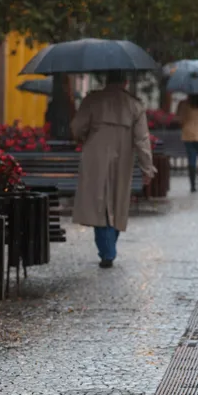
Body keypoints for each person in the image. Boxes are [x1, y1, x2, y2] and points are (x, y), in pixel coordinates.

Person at [71, 71, 156, 269]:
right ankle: (109, 249)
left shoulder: (92, 100)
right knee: (117, 203)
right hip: (122, 158)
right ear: (125, 82)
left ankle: (106, 251)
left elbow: (77, 127)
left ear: (106, 80)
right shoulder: (134, 105)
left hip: (95, 157)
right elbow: (142, 140)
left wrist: (83, 137)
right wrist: (147, 168)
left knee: (99, 204)